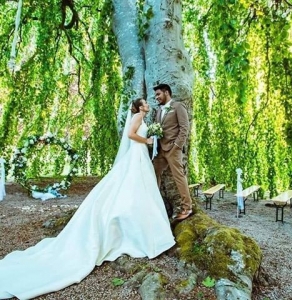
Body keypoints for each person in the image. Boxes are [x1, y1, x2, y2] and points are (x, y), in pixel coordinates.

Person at [0, 98, 175, 300]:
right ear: (139, 107)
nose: (148, 104)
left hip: (140, 156)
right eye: (145, 103)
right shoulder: (137, 117)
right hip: (136, 155)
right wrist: (147, 140)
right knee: (133, 186)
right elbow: (130, 134)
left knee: (139, 188)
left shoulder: (143, 117)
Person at [152, 83, 193, 221]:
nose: (156, 97)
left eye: (158, 94)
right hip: (160, 151)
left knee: (179, 177)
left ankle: (187, 207)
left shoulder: (178, 106)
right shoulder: (158, 110)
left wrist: (177, 146)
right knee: (153, 174)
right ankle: (153, 203)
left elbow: (184, 128)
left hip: (173, 149)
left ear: (166, 93)